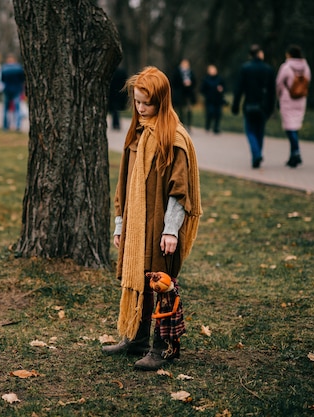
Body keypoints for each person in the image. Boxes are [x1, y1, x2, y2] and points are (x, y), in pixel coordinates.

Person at [102, 66, 202, 371]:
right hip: (137, 224)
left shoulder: (173, 139)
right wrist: (121, 225)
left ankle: (163, 347)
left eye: (147, 102)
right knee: (139, 281)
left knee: (161, 283)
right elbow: (124, 184)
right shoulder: (138, 133)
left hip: (161, 226)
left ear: (162, 100)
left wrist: (171, 230)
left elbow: (179, 191)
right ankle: (137, 339)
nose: (141, 108)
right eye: (136, 101)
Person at [231, 44, 276, 169]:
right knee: (259, 131)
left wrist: (235, 105)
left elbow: (239, 89)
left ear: (250, 55)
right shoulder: (268, 69)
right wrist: (271, 108)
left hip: (249, 105)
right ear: (260, 54)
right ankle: (258, 153)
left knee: (250, 131)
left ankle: (256, 154)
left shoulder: (245, 69)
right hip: (263, 106)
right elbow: (272, 91)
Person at [275, 45, 311, 168]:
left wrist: (279, 95)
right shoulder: (306, 67)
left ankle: (296, 152)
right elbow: (308, 81)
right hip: (301, 100)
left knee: (290, 128)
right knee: (295, 126)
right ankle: (293, 155)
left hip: (287, 99)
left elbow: (279, 83)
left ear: (289, 54)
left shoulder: (286, 67)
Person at [0, 54, 25, 131]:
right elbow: (22, 79)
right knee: (17, 108)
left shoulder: (4, 68)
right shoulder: (19, 68)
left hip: (7, 89)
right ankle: (17, 125)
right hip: (17, 89)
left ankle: (5, 126)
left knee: (6, 109)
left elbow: (2, 79)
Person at [171, 59, 197, 130]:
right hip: (180, 93)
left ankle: (189, 124)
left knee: (189, 109)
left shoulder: (191, 72)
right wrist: (182, 83)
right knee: (180, 109)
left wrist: (190, 83)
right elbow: (174, 82)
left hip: (188, 93)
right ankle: (181, 124)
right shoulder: (177, 72)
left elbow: (195, 82)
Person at [200, 65, 226, 134]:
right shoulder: (206, 79)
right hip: (209, 99)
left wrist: (221, 89)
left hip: (218, 99)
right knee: (210, 112)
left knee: (218, 113)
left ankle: (216, 127)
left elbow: (224, 87)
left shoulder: (219, 79)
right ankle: (208, 125)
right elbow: (202, 89)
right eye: (211, 70)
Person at [108, 66, 128, 130]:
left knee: (114, 109)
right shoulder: (122, 72)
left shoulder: (111, 73)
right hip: (119, 93)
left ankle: (116, 124)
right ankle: (116, 123)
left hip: (113, 93)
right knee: (115, 109)